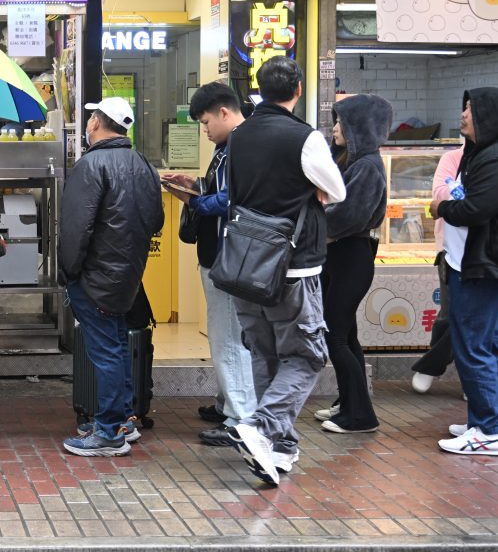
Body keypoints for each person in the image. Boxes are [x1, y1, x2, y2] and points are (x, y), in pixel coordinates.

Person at [224, 57, 345, 486]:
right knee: (308, 355)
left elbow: (235, 193)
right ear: (297, 89)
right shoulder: (304, 137)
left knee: (265, 354)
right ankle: (261, 426)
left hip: (245, 264)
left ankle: (279, 448)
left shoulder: (238, 137)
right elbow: (337, 190)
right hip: (293, 266)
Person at [58, 98, 163, 457]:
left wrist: (68, 271)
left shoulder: (91, 165)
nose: (88, 122)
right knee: (116, 346)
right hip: (127, 275)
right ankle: (122, 420)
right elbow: (156, 220)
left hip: (95, 277)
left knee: (106, 352)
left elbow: (75, 229)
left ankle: (107, 432)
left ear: (99, 124)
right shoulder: (142, 164)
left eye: (91, 117)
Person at [430, 88, 498, 456]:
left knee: (473, 347)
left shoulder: (497, 158)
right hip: (472, 261)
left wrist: (440, 208)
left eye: (470, 109)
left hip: (483, 264)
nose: (464, 114)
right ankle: (497, 422)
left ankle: (486, 431)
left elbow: (476, 210)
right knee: (486, 344)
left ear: (488, 115)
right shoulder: (484, 153)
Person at [163, 82, 256, 447]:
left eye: (205, 122)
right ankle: (229, 404)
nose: (204, 131)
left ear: (224, 112)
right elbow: (220, 188)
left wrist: (197, 201)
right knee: (228, 335)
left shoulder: (243, 146)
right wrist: (194, 185)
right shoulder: (226, 147)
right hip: (218, 253)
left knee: (228, 338)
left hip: (229, 255)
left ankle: (241, 420)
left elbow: (236, 198)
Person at [412, 141, 498, 392]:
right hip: (451, 252)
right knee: (451, 314)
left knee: (479, 322)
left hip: (491, 254)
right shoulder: (452, 158)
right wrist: (481, 198)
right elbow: (439, 195)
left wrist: (479, 199)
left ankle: (437, 368)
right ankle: (477, 394)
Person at [313, 94, 392, 434]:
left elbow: (348, 216)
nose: (335, 128)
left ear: (359, 126)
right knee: (347, 334)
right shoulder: (351, 160)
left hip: (352, 256)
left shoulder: (368, 166)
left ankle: (360, 415)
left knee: (336, 334)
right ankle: (348, 403)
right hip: (340, 257)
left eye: (341, 122)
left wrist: (318, 226)